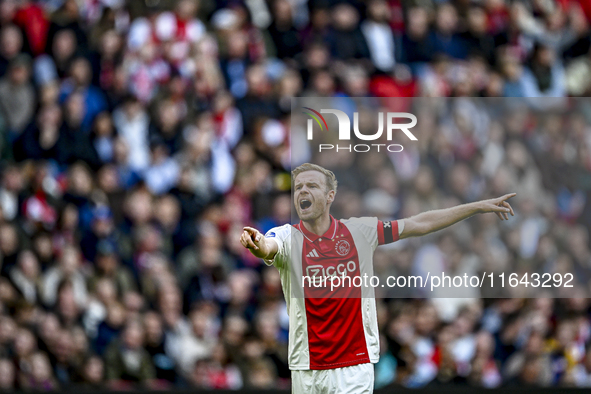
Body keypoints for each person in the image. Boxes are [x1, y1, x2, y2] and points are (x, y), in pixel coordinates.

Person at [239, 163, 516, 393]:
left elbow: (419, 223)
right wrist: (257, 244)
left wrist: (476, 207)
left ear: (330, 195)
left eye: (311, 185)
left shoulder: (360, 232)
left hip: (354, 364)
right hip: (307, 366)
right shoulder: (287, 236)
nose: (303, 191)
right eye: (298, 187)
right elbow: (268, 246)